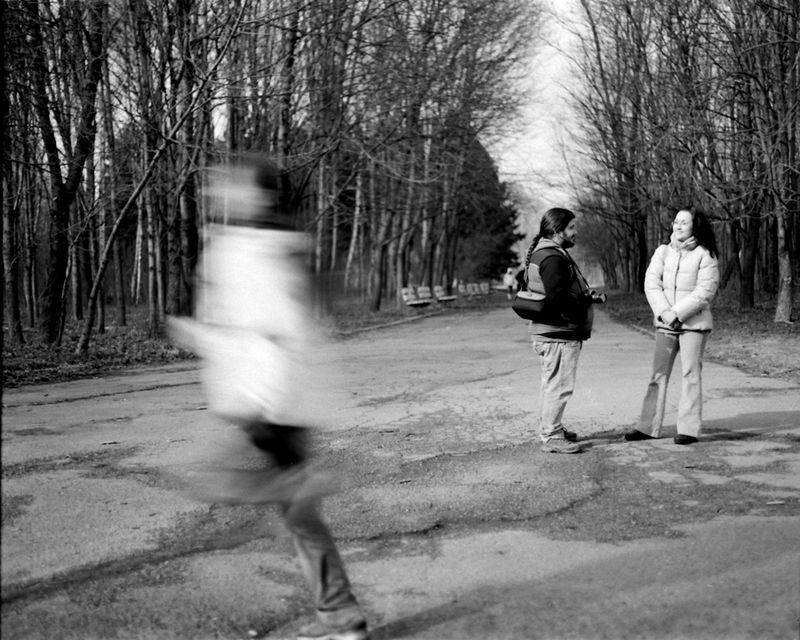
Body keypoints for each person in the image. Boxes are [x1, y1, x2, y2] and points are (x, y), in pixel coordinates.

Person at [169, 155, 369, 640]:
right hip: (271, 397)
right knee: (296, 514)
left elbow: (273, 333)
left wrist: (259, 405)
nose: (220, 192)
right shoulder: (259, 245)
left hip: (265, 399)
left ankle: (300, 489)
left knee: (219, 479)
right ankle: (340, 613)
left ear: (259, 195)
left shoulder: (255, 251)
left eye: (232, 186)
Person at [625, 207, 719, 445]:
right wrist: (665, 313)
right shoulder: (662, 252)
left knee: (690, 374)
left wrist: (677, 313)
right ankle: (647, 427)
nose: (678, 226)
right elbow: (651, 283)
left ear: (695, 226)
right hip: (665, 324)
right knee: (658, 374)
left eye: (684, 222)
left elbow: (705, 292)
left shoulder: (705, 254)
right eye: (676, 221)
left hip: (694, 325)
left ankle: (688, 429)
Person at [524, 207, 605, 454]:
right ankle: (551, 435)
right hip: (558, 334)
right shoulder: (552, 258)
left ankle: (551, 428)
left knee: (552, 384)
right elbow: (556, 299)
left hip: (552, 333)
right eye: (571, 227)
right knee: (559, 387)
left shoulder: (546, 252)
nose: (575, 231)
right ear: (558, 230)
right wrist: (585, 299)